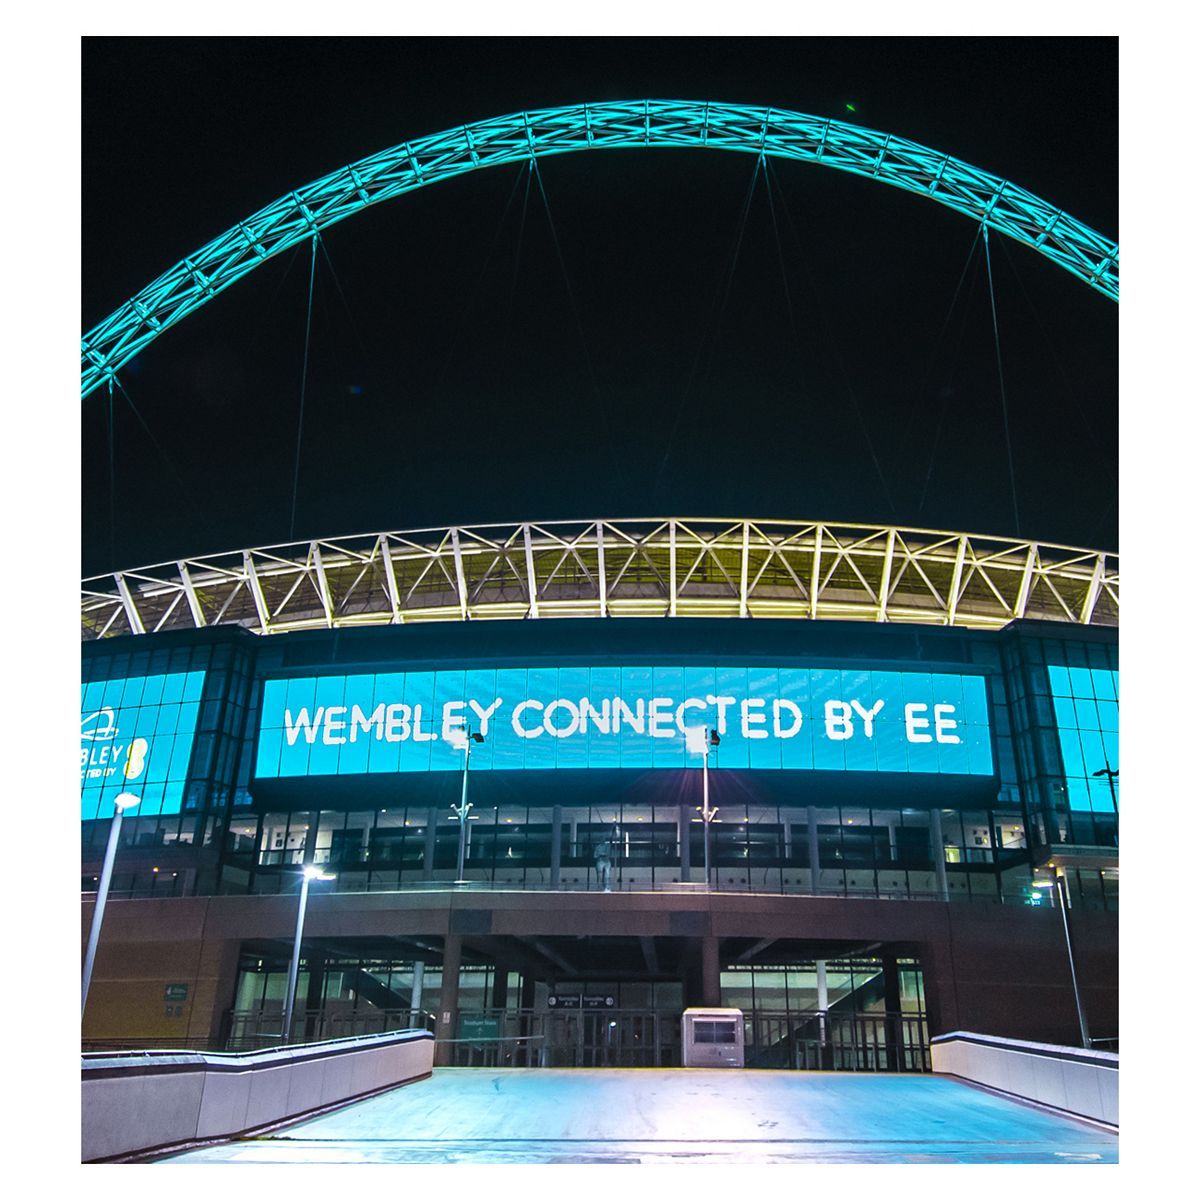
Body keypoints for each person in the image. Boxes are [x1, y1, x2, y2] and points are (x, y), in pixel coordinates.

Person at [593, 826, 616, 892]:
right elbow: (595, 855)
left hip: (607, 861)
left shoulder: (607, 845)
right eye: (601, 839)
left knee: (607, 874)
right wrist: (600, 856)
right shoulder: (598, 847)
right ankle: (600, 886)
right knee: (599, 873)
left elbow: (611, 841)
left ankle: (607, 887)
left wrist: (613, 831)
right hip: (600, 861)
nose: (602, 840)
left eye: (603, 839)